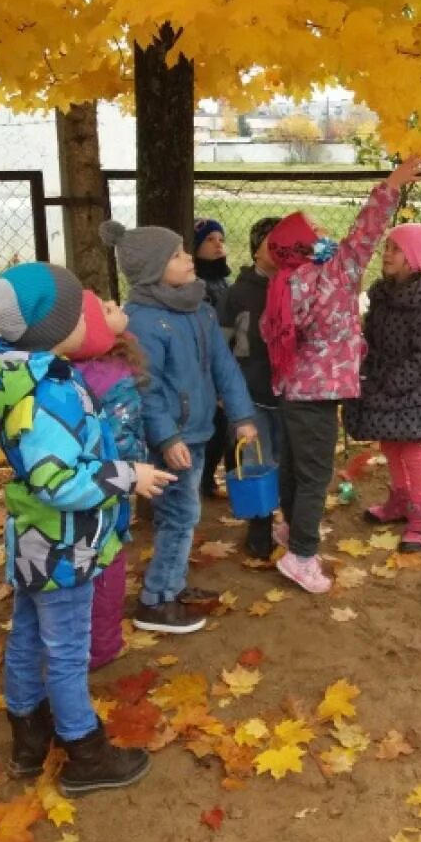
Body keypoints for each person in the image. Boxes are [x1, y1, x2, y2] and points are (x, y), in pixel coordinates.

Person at [0, 262, 174, 795]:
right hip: (66, 540)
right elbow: (57, 481)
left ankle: (28, 740)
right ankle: (84, 752)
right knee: (66, 650)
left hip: (35, 538)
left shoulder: (11, 369)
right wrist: (130, 475)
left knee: (29, 635)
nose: (90, 311)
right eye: (78, 306)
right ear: (59, 328)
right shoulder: (50, 393)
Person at [260, 155, 421, 594]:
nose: (324, 233)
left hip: (293, 390)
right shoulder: (336, 270)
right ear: (304, 246)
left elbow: (275, 332)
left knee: (294, 468)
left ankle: (290, 530)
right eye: (315, 231)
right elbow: (366, 230)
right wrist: (391, 184)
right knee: (316, 475)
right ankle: (302, 555)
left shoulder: (288, 281)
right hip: (316, 394)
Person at [99, 220, 257, 634]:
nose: (188, 258)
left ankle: (172, 583)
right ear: (152, 269)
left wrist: (241, 416)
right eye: (176, 254)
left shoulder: (197, 309)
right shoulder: (143, 322)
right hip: (171, 439)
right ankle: (156, 600)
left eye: (186, 251)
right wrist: (167, 437)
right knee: (179, 516)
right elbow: (144, 389)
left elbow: (223, 367)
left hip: (198, 432)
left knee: (184, 513)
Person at [344, 223, 421, 550]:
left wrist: (394, 383)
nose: (386, 254)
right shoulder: (382, 293)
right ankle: (400, 500)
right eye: (386, 247)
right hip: (383, 380)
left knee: (411, 451)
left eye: (394, 249)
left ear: (413, 257)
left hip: (411, 388)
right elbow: (371, 337)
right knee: (389, 444)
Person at [67, 290, 148, 670]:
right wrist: (135, 474)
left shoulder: (69, 372)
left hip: (80, 483)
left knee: (82, 561)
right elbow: (123, 436)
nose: (118, 307)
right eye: (107, 309)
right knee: (108, 565)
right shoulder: (114, 377)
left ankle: (79, 639)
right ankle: (101, 648)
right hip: (112, 485)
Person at [218, 216, 283, 560]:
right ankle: (260, 531)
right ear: (256, 250)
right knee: (256, 459)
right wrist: (222, 391)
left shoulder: (298, 284)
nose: (280, 248)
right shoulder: (238, 294)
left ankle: (289, 524)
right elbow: (221, 346)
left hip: (289, 395)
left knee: (286, 460)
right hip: (250, 395)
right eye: (272, 241)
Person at [193, 217, 233, 500]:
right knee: (215, 428)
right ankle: (203, 480)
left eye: (221, 239)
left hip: (227, 361)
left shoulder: (222, 280)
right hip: (208, 368)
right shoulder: (198, 287)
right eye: (210, 239)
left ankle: (209, 480)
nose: (218, 244)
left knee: (224, 427)